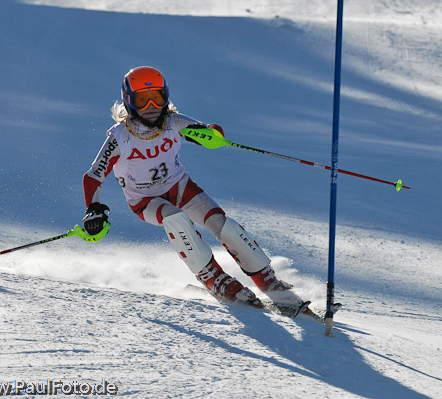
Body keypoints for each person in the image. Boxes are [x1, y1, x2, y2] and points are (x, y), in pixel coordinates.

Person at [81, 66, 303, 309]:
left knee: (220, 222)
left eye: (157, 97)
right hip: (146, 201)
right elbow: (93, 177)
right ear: (128, 102)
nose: (152, 107)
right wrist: (95, 210)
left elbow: (204, 133)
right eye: (143, 100)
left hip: (180, 187)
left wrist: (212, 134)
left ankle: (268, 281)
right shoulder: (119, 137)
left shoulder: (173, 123)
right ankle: (215, 279)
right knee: (176, 218)